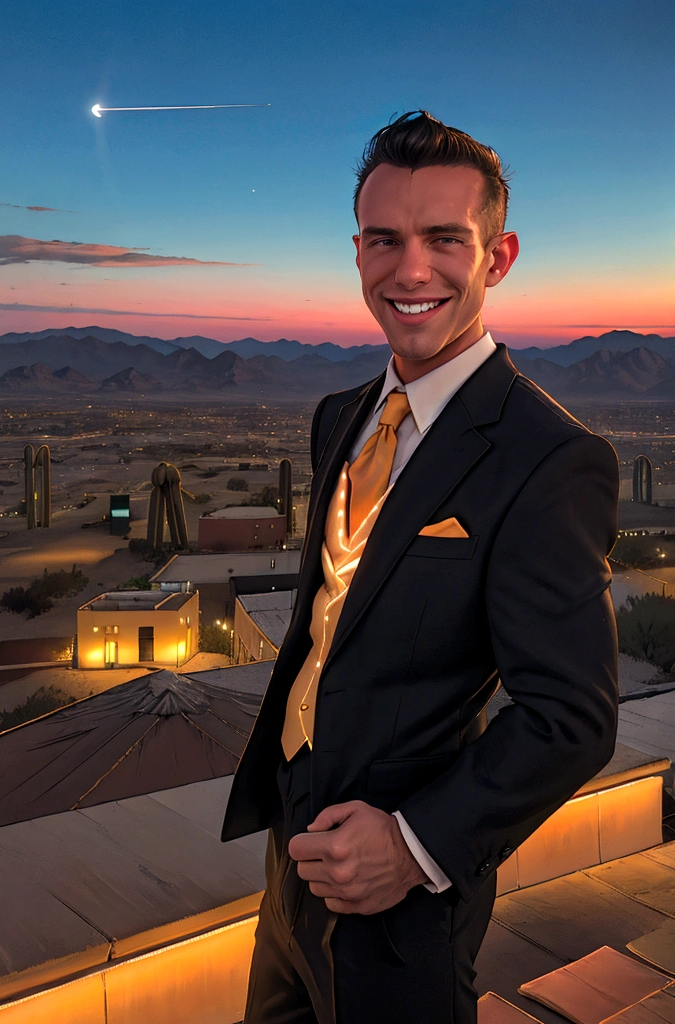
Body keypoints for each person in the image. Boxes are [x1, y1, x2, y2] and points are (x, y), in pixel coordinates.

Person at [222, 110, 620, 1024]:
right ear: (356, 251)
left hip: (400, 903)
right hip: (290, 854)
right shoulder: (339, 415)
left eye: (446, 238)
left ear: (498, 255)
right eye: (385, 240)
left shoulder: (548, 457)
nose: (410, 270)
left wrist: (410, 846)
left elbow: (573, 718)